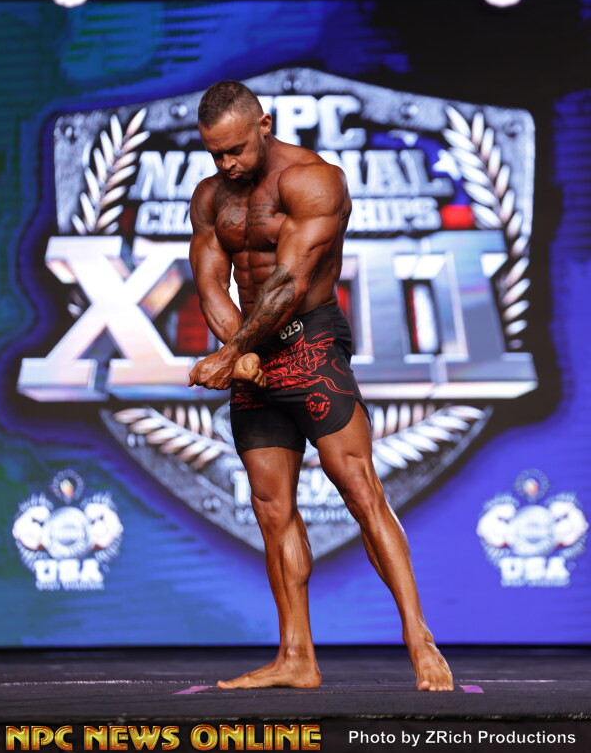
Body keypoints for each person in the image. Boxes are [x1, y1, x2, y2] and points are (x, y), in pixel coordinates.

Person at [187, 80, 454, 692]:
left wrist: (231, 353)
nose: (227, 164)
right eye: (215, 154)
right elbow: (210, 284)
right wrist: (241, 354)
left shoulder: (313, 180)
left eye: (236, 150)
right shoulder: (209, 197)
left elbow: (288, 283)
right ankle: (296, 656)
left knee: (360, 490)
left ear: (264, 125)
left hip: (309, 345)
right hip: (251, 357)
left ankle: (420, 641)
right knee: (271, 507)